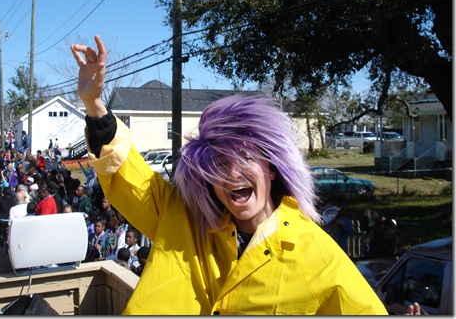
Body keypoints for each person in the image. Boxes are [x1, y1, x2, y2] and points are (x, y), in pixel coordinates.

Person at [70, 35, 391, 314]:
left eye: (245, 158)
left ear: (271, 168)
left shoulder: (318, 255)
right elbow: (129, 174)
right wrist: (95, 104)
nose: (232, 174)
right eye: (219, 165)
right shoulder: (181, 216)